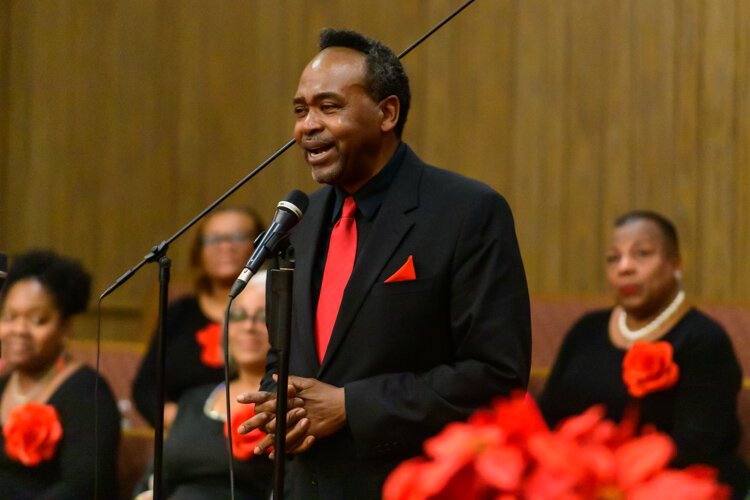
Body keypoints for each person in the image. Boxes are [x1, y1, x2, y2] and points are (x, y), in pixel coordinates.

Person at [237, 28, 531, 499]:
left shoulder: (466, 212)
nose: (306, 126)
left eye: (328, 107)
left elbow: (496, 376)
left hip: (407, 485)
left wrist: (352, 406)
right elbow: (283, 357)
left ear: (387, 113)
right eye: (300, 110)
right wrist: (281, 405)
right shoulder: (300, 222)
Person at [538, 210, 750, 498]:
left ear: (675, 264)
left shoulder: (703, 340)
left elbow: (697, 449)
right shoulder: (586, 330)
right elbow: (548, 419)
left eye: (641, 254)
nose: (624, 267)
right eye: (613, 258)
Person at [134, 272, 273, 499]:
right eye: (238, 316)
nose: (249, 326)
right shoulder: (194, 400)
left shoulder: (286, 405)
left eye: (263, 316)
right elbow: (155, 478)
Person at [0, 249, 121, 498]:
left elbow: (84, 488)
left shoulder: (88, 393)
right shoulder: (3, 384)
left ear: (65, 328)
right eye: (9, 317)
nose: (19, 330)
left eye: (37, 320)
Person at [132, 206, 265, 428]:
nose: (226, 246)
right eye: (214, 239)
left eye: (238, 237)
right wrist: (189, 424)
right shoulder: (179, 312)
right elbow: (146, 387)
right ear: (199, 252)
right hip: (184, 432)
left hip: (252, 431)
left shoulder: (279, 311)